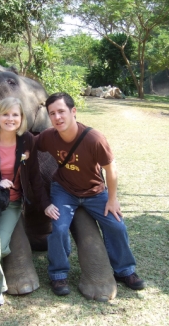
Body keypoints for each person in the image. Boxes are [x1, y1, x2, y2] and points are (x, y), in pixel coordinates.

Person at [36, 92, 146, 296]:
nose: (57, 117)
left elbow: (110, 170)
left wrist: (112, 200)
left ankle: (125, 270)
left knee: (117, 225)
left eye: (61, 111)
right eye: (52, 113)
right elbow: (29, 145)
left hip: (95, 192)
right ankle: (58, 274)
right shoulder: (48, 137)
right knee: (58, 228)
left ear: (73, 111)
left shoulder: (94, 138)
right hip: (64, 190)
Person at [0, 97, 51, 306]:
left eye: (15, 115)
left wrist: (45, 204)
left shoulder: (27, 141)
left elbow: (34, 177)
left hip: (12, 204)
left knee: (0, 247)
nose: (10, 119)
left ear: (22, 118)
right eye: (5, 114)